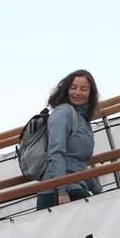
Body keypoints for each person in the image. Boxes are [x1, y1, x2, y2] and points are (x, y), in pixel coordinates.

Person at [37, 71, 106, 211]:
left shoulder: (82, 118)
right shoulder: (63, 112)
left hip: (76, 185)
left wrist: (98, 190)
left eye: (83, 89)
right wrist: (62, 191)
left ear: (91, 93)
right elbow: (55, 153)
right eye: (73, 88)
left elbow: (78, 163)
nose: (77, 92)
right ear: (66, 89)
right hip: (59, 191)